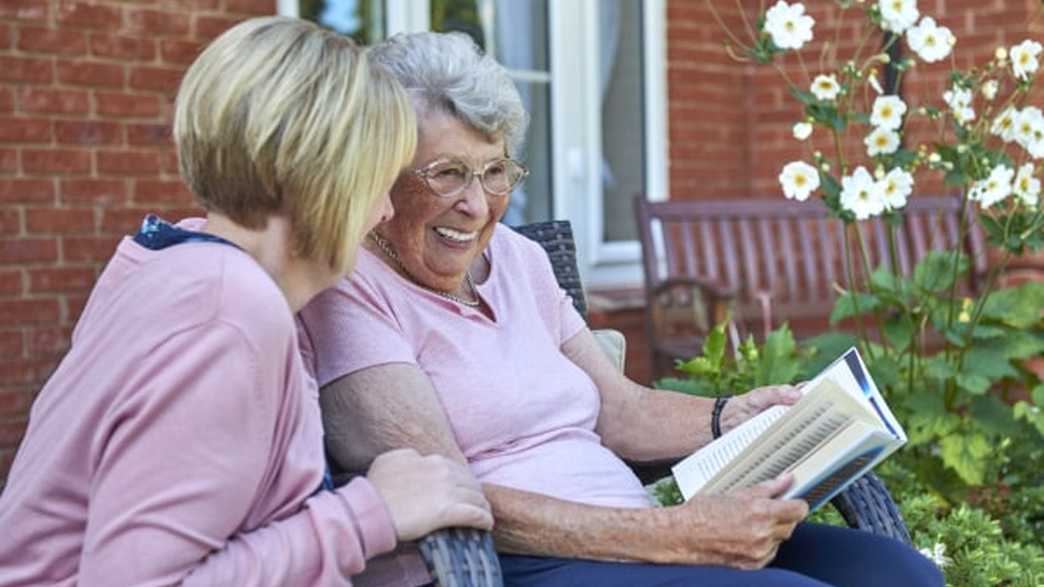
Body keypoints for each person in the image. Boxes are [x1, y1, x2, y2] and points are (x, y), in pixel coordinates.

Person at [297, 31, 943, 587]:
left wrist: (730, 417)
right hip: (513, 558)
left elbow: (620, 408)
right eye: (445, 173)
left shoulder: (520, 259)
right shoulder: (350, 283)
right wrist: (674, 534)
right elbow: (447, 491)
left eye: (494, 171)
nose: (477, 204)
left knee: (902, 574)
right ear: (379, 172)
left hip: (635, 532)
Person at [0, 18, 492, 586]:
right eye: (377, 180)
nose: (384, 210)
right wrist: (370, 515)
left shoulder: (175, 264)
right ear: (321, 178)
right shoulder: (226, 313)